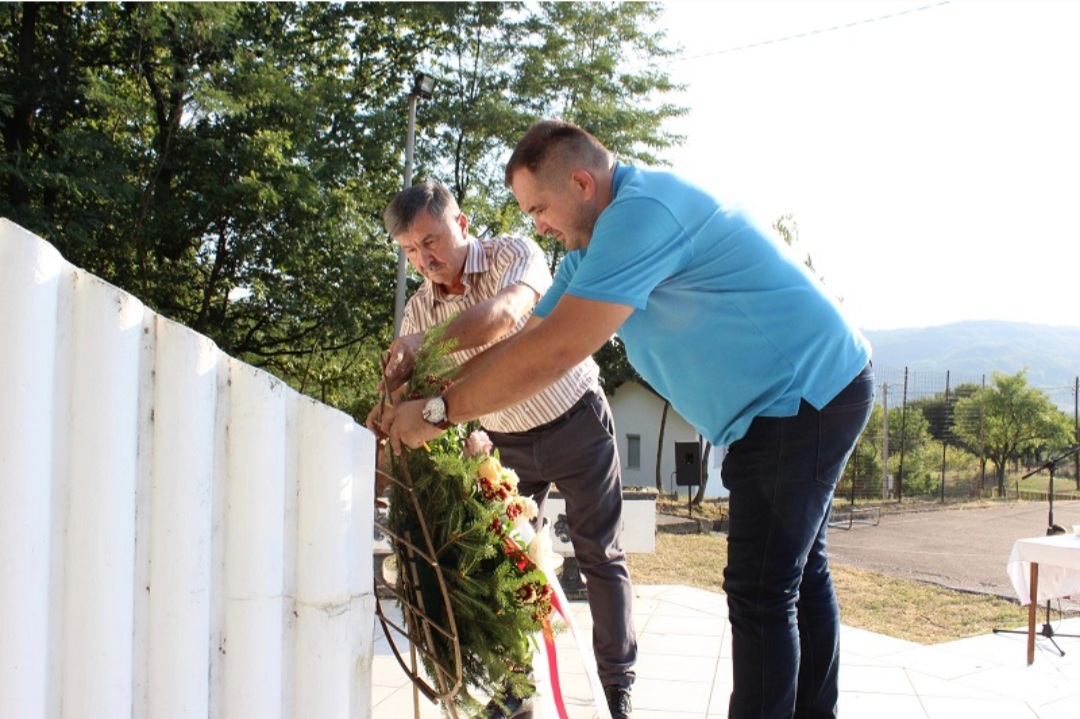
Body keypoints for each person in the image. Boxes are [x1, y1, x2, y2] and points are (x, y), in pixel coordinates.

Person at [379, 121, 874, 719]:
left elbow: (557, 350)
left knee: (762, 591)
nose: (537, 224)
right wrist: (431, 395)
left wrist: (436, 413)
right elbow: (522, 342)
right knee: (797, 576)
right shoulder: (588, 251)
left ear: (582, 183)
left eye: (539, 207)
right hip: (781, 407)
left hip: (803, 396)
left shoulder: (640, 217)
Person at [367, 180, 637, 719]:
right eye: (410, 252)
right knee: (497, 564)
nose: (425, 259)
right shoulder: (417, 311)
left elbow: (507, 316)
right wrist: (386, 406)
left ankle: (617, 688)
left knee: (599, 555)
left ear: (462, 224)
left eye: (432, 240)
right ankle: (514, 688)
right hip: (503, 443)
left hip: (576, 417)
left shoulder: (515, 252)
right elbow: (413, 405)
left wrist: (428, 346)